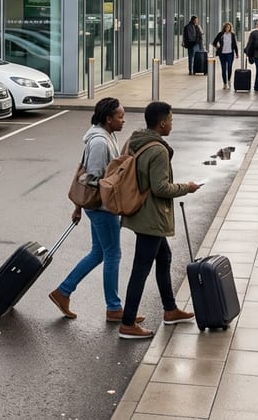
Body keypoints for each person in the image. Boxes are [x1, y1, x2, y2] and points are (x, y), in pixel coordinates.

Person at [118, 101, 201, 339]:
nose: (172, 124)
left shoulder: (137, 140)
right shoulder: (158, 150)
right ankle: (127, 323)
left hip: (140, 213)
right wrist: (188, 187)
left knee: (164, 258)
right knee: (140, 269)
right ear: (162, 122)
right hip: (151, 217)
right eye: (171, 120)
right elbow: (161, 188)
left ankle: (170, 309)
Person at [48, 98, 126, 322]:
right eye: (120, 116)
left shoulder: (107, 135)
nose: (123, 120)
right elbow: (91, 177)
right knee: (113, 254)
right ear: (108, 119)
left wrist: (79, 207)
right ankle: (113, 308)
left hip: (97, 206)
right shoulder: (100, 142)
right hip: (102, 207)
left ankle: (63, 291)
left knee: (99, 253)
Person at [211, 22, 240, 89]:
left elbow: (235, 44)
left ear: (230, 28)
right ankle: (225, 83)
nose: (227, 29)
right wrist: (218, 47)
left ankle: (229, 80)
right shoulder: (221, 34)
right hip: (222, 54)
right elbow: (214, 42)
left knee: (229, 68)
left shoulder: (232, 35)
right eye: (226, 27)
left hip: (230, 54)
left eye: (229, 27)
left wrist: (237, 53)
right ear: (224, 28)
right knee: (223, 69)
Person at [244, 19, 258, 90]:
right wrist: (249, 55)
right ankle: (256, 85)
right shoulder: (254, 33)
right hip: (257, 55)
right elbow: (250, 44)